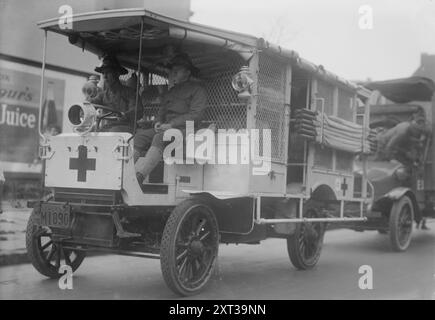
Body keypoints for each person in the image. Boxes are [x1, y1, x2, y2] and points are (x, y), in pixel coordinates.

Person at [134, 53, 208, 184]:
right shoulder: (171, 92)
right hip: (166, 128)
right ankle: (124, 173)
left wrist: (172, 125)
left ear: (188, 72)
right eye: (173, 71)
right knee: (139, 137)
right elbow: (161, 112)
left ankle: (138, 177)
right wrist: (157, 122)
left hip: (187, 131)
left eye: (177, 71)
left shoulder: (198, 90)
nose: (173, 74)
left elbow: (197, 115)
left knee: (160, 137)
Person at [86, 55, 142, 132]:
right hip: (109, 127)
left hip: (128, 128)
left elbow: (137, 110)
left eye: (108, 72)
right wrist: (88, 98)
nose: (105, 76)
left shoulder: (130, 92)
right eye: (103, 73)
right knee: (89, 132)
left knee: (112, 132)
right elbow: (92, 103)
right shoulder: (103, 95)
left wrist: (125, 115)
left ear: (117, 73)